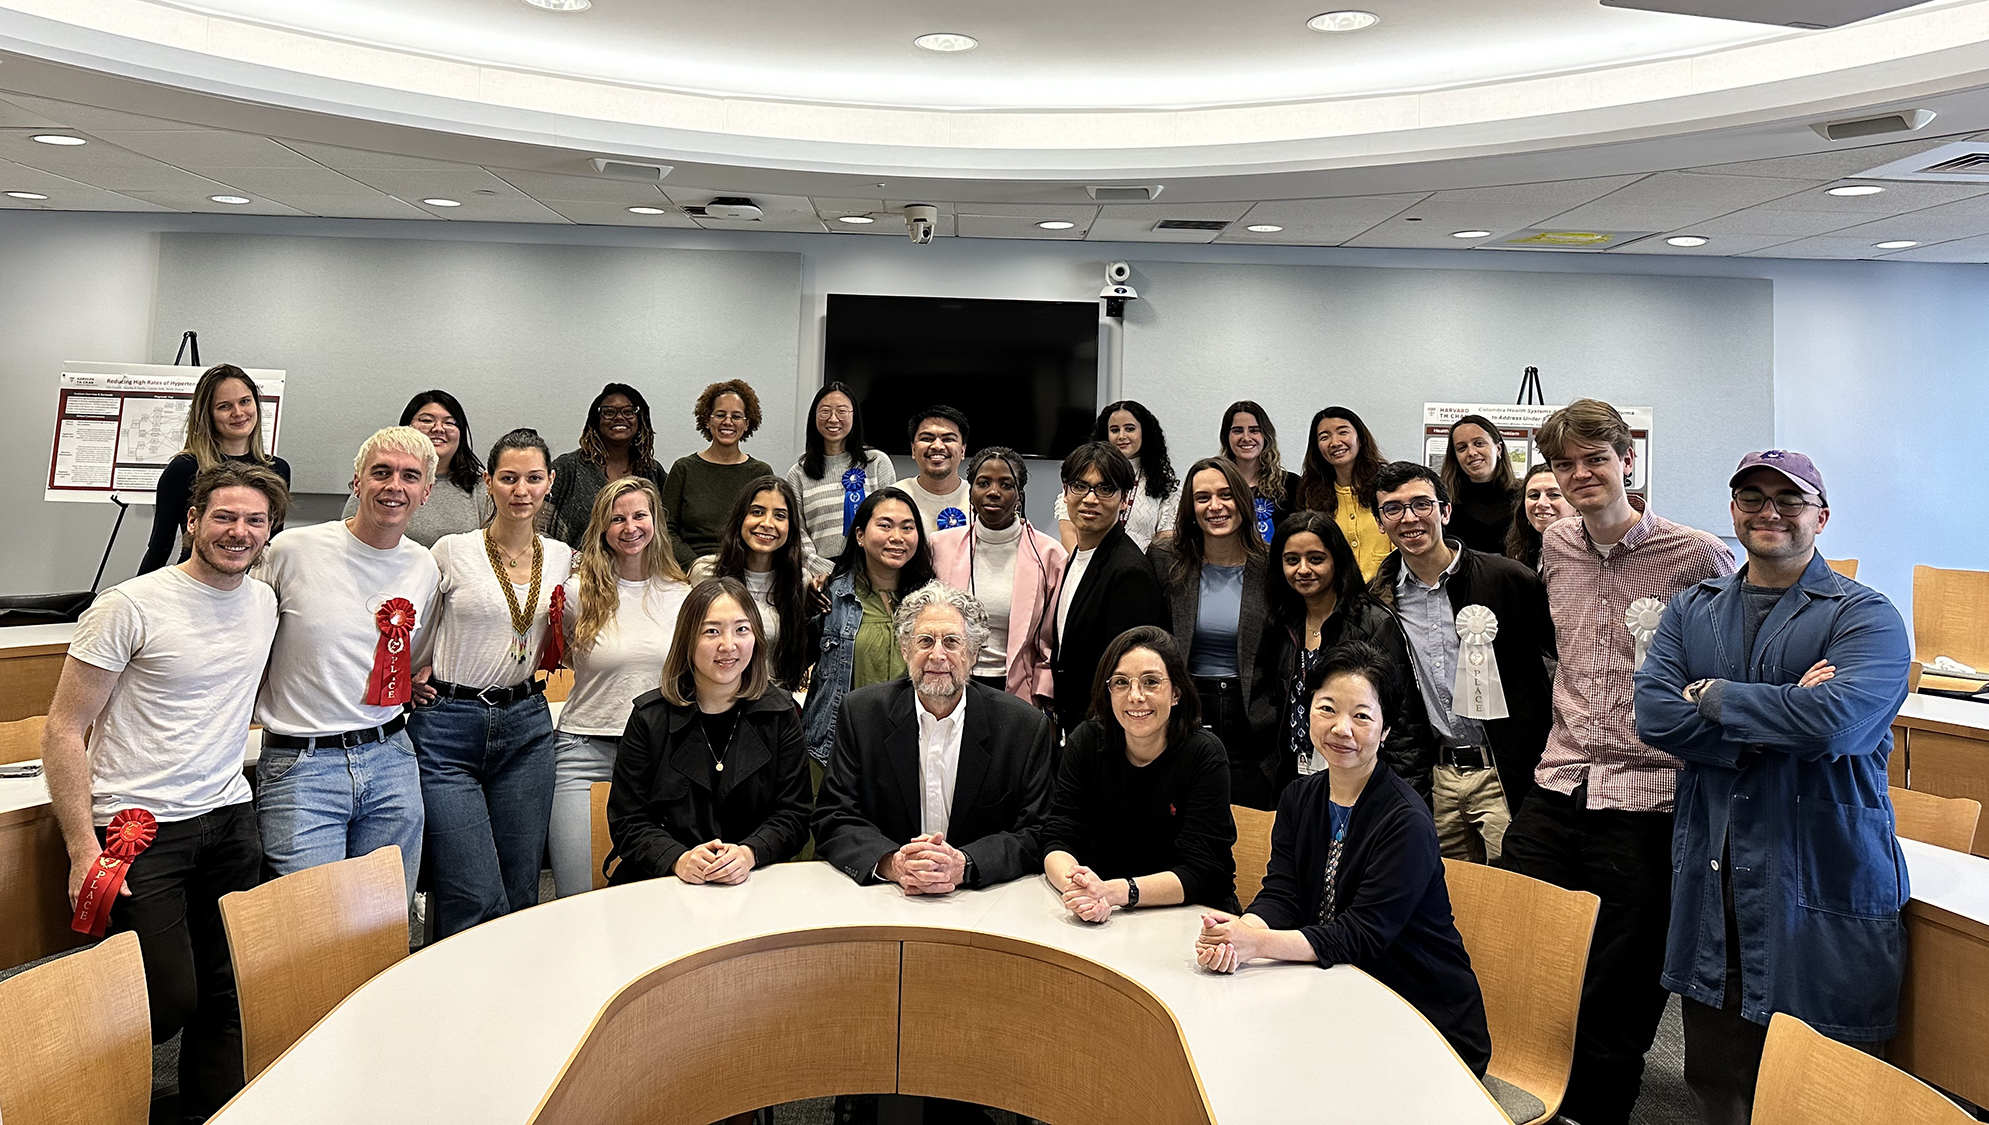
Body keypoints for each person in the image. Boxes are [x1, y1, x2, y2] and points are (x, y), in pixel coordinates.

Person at [1635, 450, 1911, 1125]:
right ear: (1732, 512)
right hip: (1716, 869)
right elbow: (1654, 714)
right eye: (1750, 497)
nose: (1768, 512)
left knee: (1820, 1082)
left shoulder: (1867, 617)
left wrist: (1711, 694)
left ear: (1820, 516)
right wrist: (1785, 705)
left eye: (1787, 500)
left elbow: (1835, 723)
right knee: (1712, 1070)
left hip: (1820, 871)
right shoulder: (1690, 611)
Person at [1498, 398, 1736, 1125]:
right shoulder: (1556, 545)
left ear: (1626, 459)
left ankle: (1593, 1115)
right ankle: (1521, 1097)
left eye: (1593, 459)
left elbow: (1730, 658)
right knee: (1521, 957)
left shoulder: (1696, 553)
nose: (1579, 475)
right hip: (1557, 782)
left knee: (1618, 989)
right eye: (1562, 465)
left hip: (1647, 795)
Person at [42, 461, 288, 1121]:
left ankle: (213, 1110)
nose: (238, 531)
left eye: (254, 520)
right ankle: (59, 1082)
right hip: (138, 827)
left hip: (230, 818)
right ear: (192, 521)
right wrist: (79, 849)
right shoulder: (129, 605)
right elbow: (64, 731)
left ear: (270, 530)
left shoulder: (263, 601)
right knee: (168, 998)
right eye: (224, 517)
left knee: (229, 989)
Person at [1193, 642, 1492, 1077]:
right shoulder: (1299, 797)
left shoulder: (1405, 819)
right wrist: (1240, 932)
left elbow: (1361, 937)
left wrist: (1258, 945)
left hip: (1424, 1020)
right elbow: (1283, 894)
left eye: (1362, 716)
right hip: (1337, 997)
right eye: (1327, 708)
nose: (1341, 728)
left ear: (1386, 730)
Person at [254, 427, 440, 905]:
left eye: (409, 476)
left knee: (384, 917)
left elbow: (414, 658)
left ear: (426, 492)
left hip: (390, 758)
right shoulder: (291, 551)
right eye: (381, 472)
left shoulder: (423, 567)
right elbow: (244, 643)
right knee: (310, 926)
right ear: (357, 482)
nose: (393, 486)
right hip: (302, 766)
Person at [410, 428, 576, 938]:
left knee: (522, 882)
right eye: (508, 478)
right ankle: (457, 1002)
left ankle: (512, 1001)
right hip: (449, 727)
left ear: (549, 482)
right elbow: (416, 625)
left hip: (526, 724)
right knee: (470, 887)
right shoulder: (452, 550)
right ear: (489, 482)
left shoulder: (563, 556)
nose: (520, 490)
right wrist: (410, 677)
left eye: (532, 478)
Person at [1367, 461, 1555, 862]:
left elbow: (1558, 661)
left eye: (1422, 504)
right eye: (1393, 509)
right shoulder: (1378, 600)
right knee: (1446, 896)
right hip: (1438, 775)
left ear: (1445, 511)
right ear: (1381, 522)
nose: (1409, 518)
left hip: (1505, 772)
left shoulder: (1508, 578)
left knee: (1514, 894)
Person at [813, 581, 1055, 890]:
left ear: (974, 653)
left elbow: (1038, 830)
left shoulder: (1022, 727)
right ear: (905, 649)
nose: (937, 655)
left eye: (952, 642)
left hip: (984, 900)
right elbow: (834, 816)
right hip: (888, 896)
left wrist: (965, 864)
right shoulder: (862, 714)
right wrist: (892, 863)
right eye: (925, 641)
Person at [607, 577, 812, 885]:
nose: (728, 645)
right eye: (712, 631)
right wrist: (677, 858)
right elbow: (628, 821)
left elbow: (794, 814)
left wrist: (749, 853)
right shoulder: (650, 718)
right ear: (687, 640)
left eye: (741, 630)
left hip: (754, 882)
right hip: (663, 883)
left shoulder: (781, 713)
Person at [548, 477, 691, 897]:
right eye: (617, 519)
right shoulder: (576, 594)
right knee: (576, 894)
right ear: (602, 529)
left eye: (639, 516)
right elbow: (566, 655)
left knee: (657, 894)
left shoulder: (681, 595)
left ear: (655, 522)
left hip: (661, 756)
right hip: (584, 751)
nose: (630, 527)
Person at [1044, 627, 1237, 920]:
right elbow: (1057, 837)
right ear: (1107, 692)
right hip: (1107, 913)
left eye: (1151, 682)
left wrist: (1118, 892)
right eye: (1121, 683)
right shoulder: (1086, 741)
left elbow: (1202, 871)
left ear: (1176, 693)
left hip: (1193, 918)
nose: (1135, 696)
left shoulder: (1204, 754)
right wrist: (1079, 888)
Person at [1249, 510, 1433, 800]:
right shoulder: (1281, 623)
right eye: (1292, 560)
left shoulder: (1373, 622)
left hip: (1363, 781)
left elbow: (1404, 724)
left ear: (1337, 560)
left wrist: (1406, 802)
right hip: (1298, 779)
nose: (1303, 569)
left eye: (1316, 559)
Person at [1149, 457, 1274, 809]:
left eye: (1226, 495)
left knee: (1247, 827)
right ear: (1190, 507)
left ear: (1243, 501)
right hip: (1185, 707)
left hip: (1250, 716)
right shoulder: (1164, 559)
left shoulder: (1270, 565)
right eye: (1203, 498)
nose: (1215, 507)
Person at [800, 487, 937, 767]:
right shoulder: (829, 596)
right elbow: (793, 660)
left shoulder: (933, 603)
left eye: (907, 528)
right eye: (885, 526)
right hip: (833, 751)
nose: (897, 537)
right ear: (860, 535)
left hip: (911, 750)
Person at [1048, 442, 1171, 734]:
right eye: (1081, 486)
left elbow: (1127, 675)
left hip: (1103, 732)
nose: (1091, 499)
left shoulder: (1128, 572)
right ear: (1065, 493)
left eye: (1105, 489)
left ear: (1125, 500)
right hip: (1074, 725)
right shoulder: (1078, 555)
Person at [929, 446, 1066, 705]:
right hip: (950, 684)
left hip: (1017, 691)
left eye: (1006, 484)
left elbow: (1051, 639)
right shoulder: (938, 546)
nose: (993, 492)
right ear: (971, 494)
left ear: (1019, 496)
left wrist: (1045, 700)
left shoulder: (1049, 554)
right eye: (983, 483)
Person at [140, 363, 292, 574]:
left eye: (245, 401)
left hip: (250, 584)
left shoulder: (277, 470)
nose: (238, 413)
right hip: (199, 580)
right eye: (224, 406)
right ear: (207, 415)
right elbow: (160, 546)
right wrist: (142, 595)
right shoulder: (183, 469)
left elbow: (271, 545)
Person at [688, 476, 814, 690]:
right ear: (740, 518)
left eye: (780, 516)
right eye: (757, 512)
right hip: (712, 702)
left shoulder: (799, 582)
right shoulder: (706, 573)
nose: (767, 523)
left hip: (772, 704)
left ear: (791, 527)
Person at [341, 390, 489, 547]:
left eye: (450, 422)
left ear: (426, 491)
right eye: (426, 420)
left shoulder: (481, 489)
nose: (438, 428)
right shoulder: (376, 485)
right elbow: (350, 541)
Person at [660, 379, 775, 568]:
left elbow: (765, 529)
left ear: (747, 423)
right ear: (707, 420)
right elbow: (666, 530)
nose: (728, 422)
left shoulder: (761, 473)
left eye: (736, 416)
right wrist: (694, 565)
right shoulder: (684, 469)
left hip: (743, 567)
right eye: (720, 414)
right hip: (692, 568)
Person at [788, 380, 897, 577]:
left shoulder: (877, 463)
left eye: (842, 411)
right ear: (814, 416)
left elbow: (892, 520)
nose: (833, 418)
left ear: (854, 416)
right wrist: (828, 572)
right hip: (821, 577)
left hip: (873, 572)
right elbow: (796, 533)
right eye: (825, 411)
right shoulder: (798, 473)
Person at [546, 384, 668, 549]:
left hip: (638, 570)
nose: (619, 417)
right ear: (596, 421)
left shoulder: (652, 472)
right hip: (574, 570)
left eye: (628, 411)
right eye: (609, 412)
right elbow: (537, 527)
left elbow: (668, 530)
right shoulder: (568, 468)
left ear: (641, 419)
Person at [1052, 399, 1179, 552]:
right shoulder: (1085, 474)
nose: (1121, 436)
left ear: (1145, 433)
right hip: (1087, 568)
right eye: (1114, 430)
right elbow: (1068, 530)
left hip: (1141, 571)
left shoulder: (1164, 484)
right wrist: (1088, 569)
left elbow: (1164, 544)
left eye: (1130, 429)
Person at [1295, 406, 1392, 580]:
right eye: (1324, 437)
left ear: (1360, 439)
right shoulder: (1311, 496)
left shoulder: (1388, 488)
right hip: (1334, 597)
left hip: (1386, 596)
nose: (1335, 442)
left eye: (1343, 432)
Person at [1217, 400, 1299, 544]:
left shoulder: (1291, 484)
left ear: (1266, 436)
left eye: (1254, 430)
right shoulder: (1217, 484)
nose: (1246, 438)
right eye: (1237, 431)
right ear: (1227, 437)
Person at [1441, 414, 1519, 556]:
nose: (1471, 453)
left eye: (1479, 443)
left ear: (1498, 449)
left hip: (1516, 577)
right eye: (1462, 448)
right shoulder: (1445, 504)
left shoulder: (1524, 498)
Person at [901, 405, 972, 535]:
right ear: (913, 449)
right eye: (927, 439)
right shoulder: (894, 497)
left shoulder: (981, 499)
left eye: (948, 439)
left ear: (962, 450)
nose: (937, 446)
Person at [1505, 462, 1575, 570]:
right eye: (1534, 495)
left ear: (1576, 505)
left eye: (1554, 495)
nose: (1541, 503)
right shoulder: (1521, 553)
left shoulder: (1588, 556)